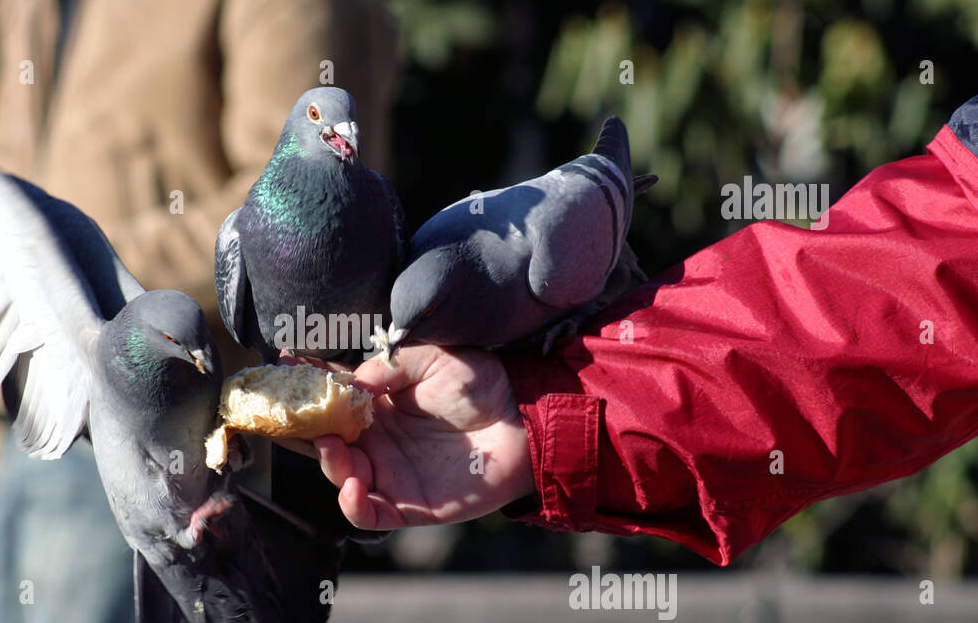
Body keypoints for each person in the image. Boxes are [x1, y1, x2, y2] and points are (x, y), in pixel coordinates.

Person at [0, 0, 397, 623]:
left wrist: (87, 304)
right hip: (24, 426)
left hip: (155, 428)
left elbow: (296, 204)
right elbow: (1, 170)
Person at [312, 94, 978, 567]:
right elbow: (871, 310)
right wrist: (545, 416)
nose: (403, 338)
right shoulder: (439, 257)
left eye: (418, 324)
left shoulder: (544, 264)